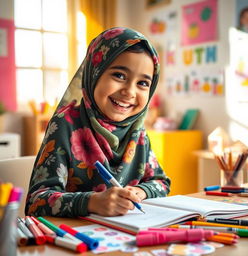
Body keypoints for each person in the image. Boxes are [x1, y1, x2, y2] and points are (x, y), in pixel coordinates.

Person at [25, 27, 171, 218]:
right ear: (94, 73)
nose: (130, 92)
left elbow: (161, 183)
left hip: (125, 239)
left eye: (142, 83)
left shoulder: (137, 131)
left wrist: (138, 193)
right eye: (119, 75)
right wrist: (92, 202)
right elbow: (36, 202)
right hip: (75, 240)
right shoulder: (65, 124)